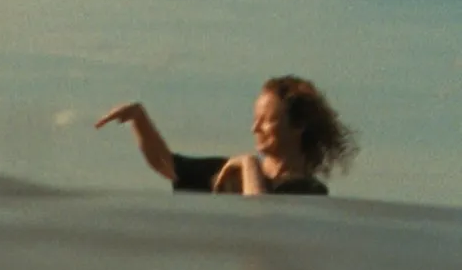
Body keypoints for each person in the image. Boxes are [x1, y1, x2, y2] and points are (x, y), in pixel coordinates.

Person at [94, 75, 359, 195]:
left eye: (266, 120)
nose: (255, 128)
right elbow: (166, 165)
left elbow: (263, 222)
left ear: (298, 125)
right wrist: (139, 119)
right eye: (255, 120)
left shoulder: (309, 192)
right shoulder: (229, 172)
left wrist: (248, 164)